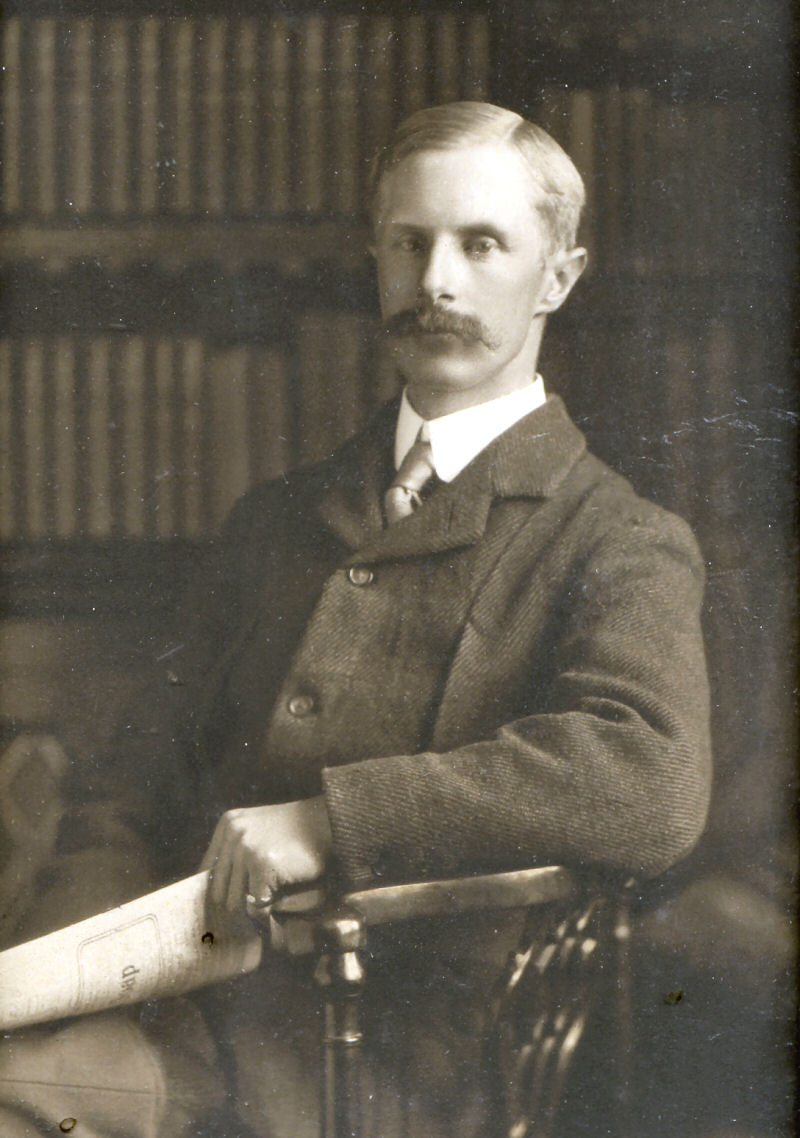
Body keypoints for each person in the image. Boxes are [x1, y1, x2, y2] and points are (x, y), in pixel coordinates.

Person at [0, 101, 711, 1137]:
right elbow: (130, 786)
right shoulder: (274, 521)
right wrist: (53, 980)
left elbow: (649, 777)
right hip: (170, 1020)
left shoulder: (615, 538)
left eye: (481, 244)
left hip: (380, 1054)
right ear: (375, 259)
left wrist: (331, 821)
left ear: (558, 276)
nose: (436, 281)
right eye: (409, 243)